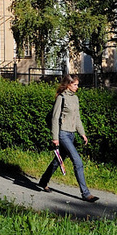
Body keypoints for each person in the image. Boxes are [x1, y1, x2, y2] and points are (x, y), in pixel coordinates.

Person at [38, 74, 99, 202]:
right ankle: (86, 194)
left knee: (57, 161)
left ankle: (43, 181)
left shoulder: (75, 98)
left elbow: (77, 117)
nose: (77, 87)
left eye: (77, 84)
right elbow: (55, 118)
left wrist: (82, 133)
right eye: (75, 84)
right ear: (68, 84)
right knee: (77, 161)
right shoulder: (62, 97)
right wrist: (55, 137)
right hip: (63, 134)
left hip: (71, 134)